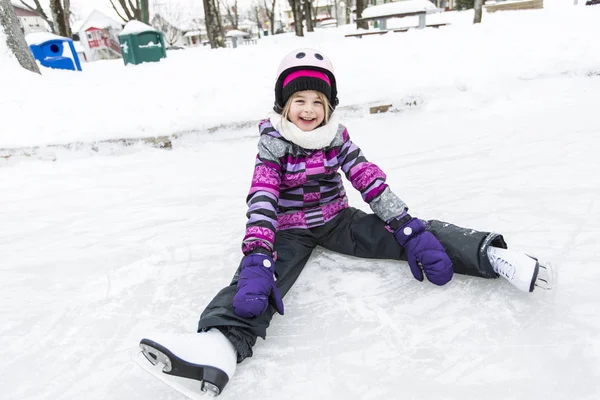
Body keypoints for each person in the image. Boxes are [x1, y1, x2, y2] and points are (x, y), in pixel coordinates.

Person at [138, 48, 552, 396]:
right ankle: (220, 347)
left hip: (339, 221)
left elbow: (368, 178)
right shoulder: (272, 147)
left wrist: (405, 223)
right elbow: (262, 200)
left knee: (414, 235)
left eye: (319, 101)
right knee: (257, 280)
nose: (309, 109)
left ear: (329, 107)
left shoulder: (336, 138)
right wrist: (258, 253)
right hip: (289, 231)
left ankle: (490, 255)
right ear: (284, 105)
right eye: (299, 100)